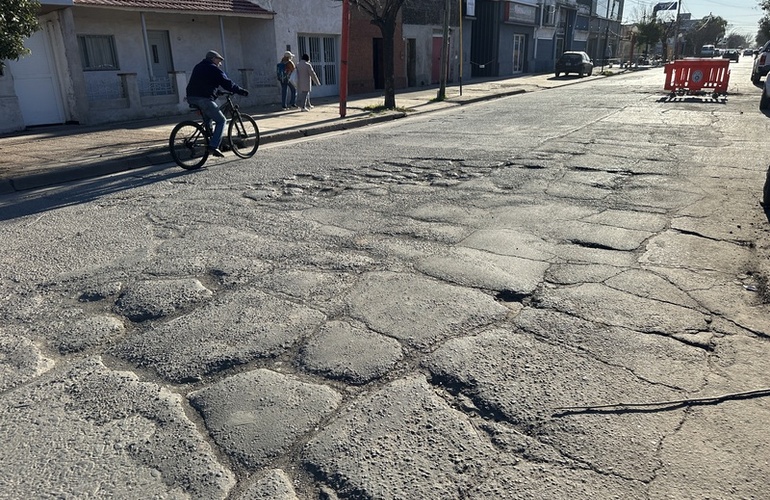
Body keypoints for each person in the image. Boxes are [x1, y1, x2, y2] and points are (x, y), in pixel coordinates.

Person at [186, 50, 249, 157]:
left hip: (192, 97)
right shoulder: (213, 68)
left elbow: (203, 83)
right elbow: (227, 83)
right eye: (219, 61)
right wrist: (240, 90)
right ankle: (213, 146)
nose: (220, 64)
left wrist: (217, 92)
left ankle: (209, 136)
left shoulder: (198, 66)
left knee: (209, 118)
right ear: (213, 59)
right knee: (221, 120)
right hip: (203, 99)